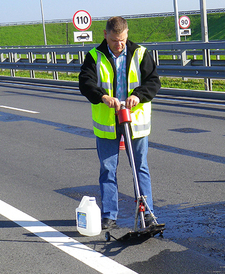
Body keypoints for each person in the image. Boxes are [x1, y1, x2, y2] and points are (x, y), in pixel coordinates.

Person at [79, 16, 161, 229]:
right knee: (108, 169)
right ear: (106, 35)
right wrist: (103, 97)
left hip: (135, 121)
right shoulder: (94, 56)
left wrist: (139, 95)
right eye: (115, 40)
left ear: (127, 34)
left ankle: (147, 212)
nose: (119, 44)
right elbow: (85, 83)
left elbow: (153, 82)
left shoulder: (140, 54)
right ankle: (109, 215)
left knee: (139, 167)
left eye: (123, 39)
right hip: (108, 121)